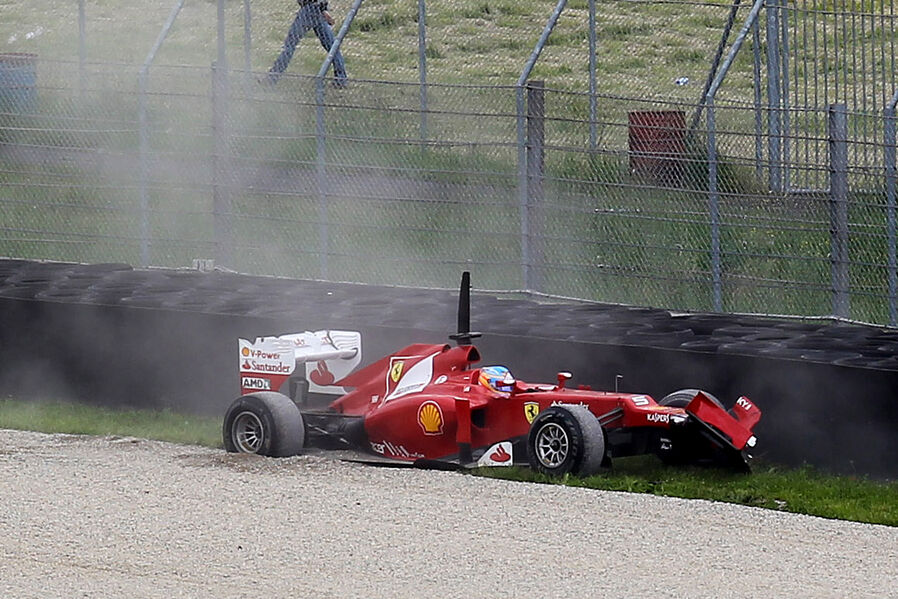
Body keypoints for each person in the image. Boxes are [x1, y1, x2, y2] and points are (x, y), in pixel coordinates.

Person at [266, 0, 348, 87]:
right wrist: (323, 10)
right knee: (332, 47)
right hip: (317, 9)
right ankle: (341, 79)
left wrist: (323, 10)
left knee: (289, 45)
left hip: (310, 9)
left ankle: (273, 77)